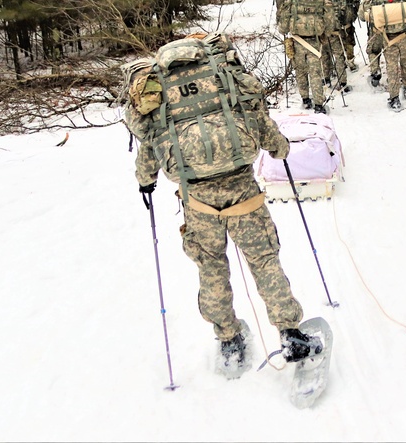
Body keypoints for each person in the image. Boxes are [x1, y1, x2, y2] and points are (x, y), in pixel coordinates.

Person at [127, 34, 322, 372]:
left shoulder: (156, 89)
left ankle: (229, 339)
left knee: (211, 266)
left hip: (197, 199)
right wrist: (280, 148)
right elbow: (257, 117)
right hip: (242, 190)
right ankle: (290, 333)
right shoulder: (221, 75)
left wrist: (146, 181)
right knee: (263, 261)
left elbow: (149, 143)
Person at [277, 0, 333, 113]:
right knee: (315, 73)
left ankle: (305, 99)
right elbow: (329, 21)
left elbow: (283, 24)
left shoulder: (291, 0)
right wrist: (325, 35)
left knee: (301, 72)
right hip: (314, 41)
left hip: (297, 41)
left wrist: (284, 31)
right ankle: (319, 105)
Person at [362, 0, 406, 110]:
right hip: (404, 36)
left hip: (388, 37)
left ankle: (394, 99)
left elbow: (369, 15)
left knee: (391, 67)